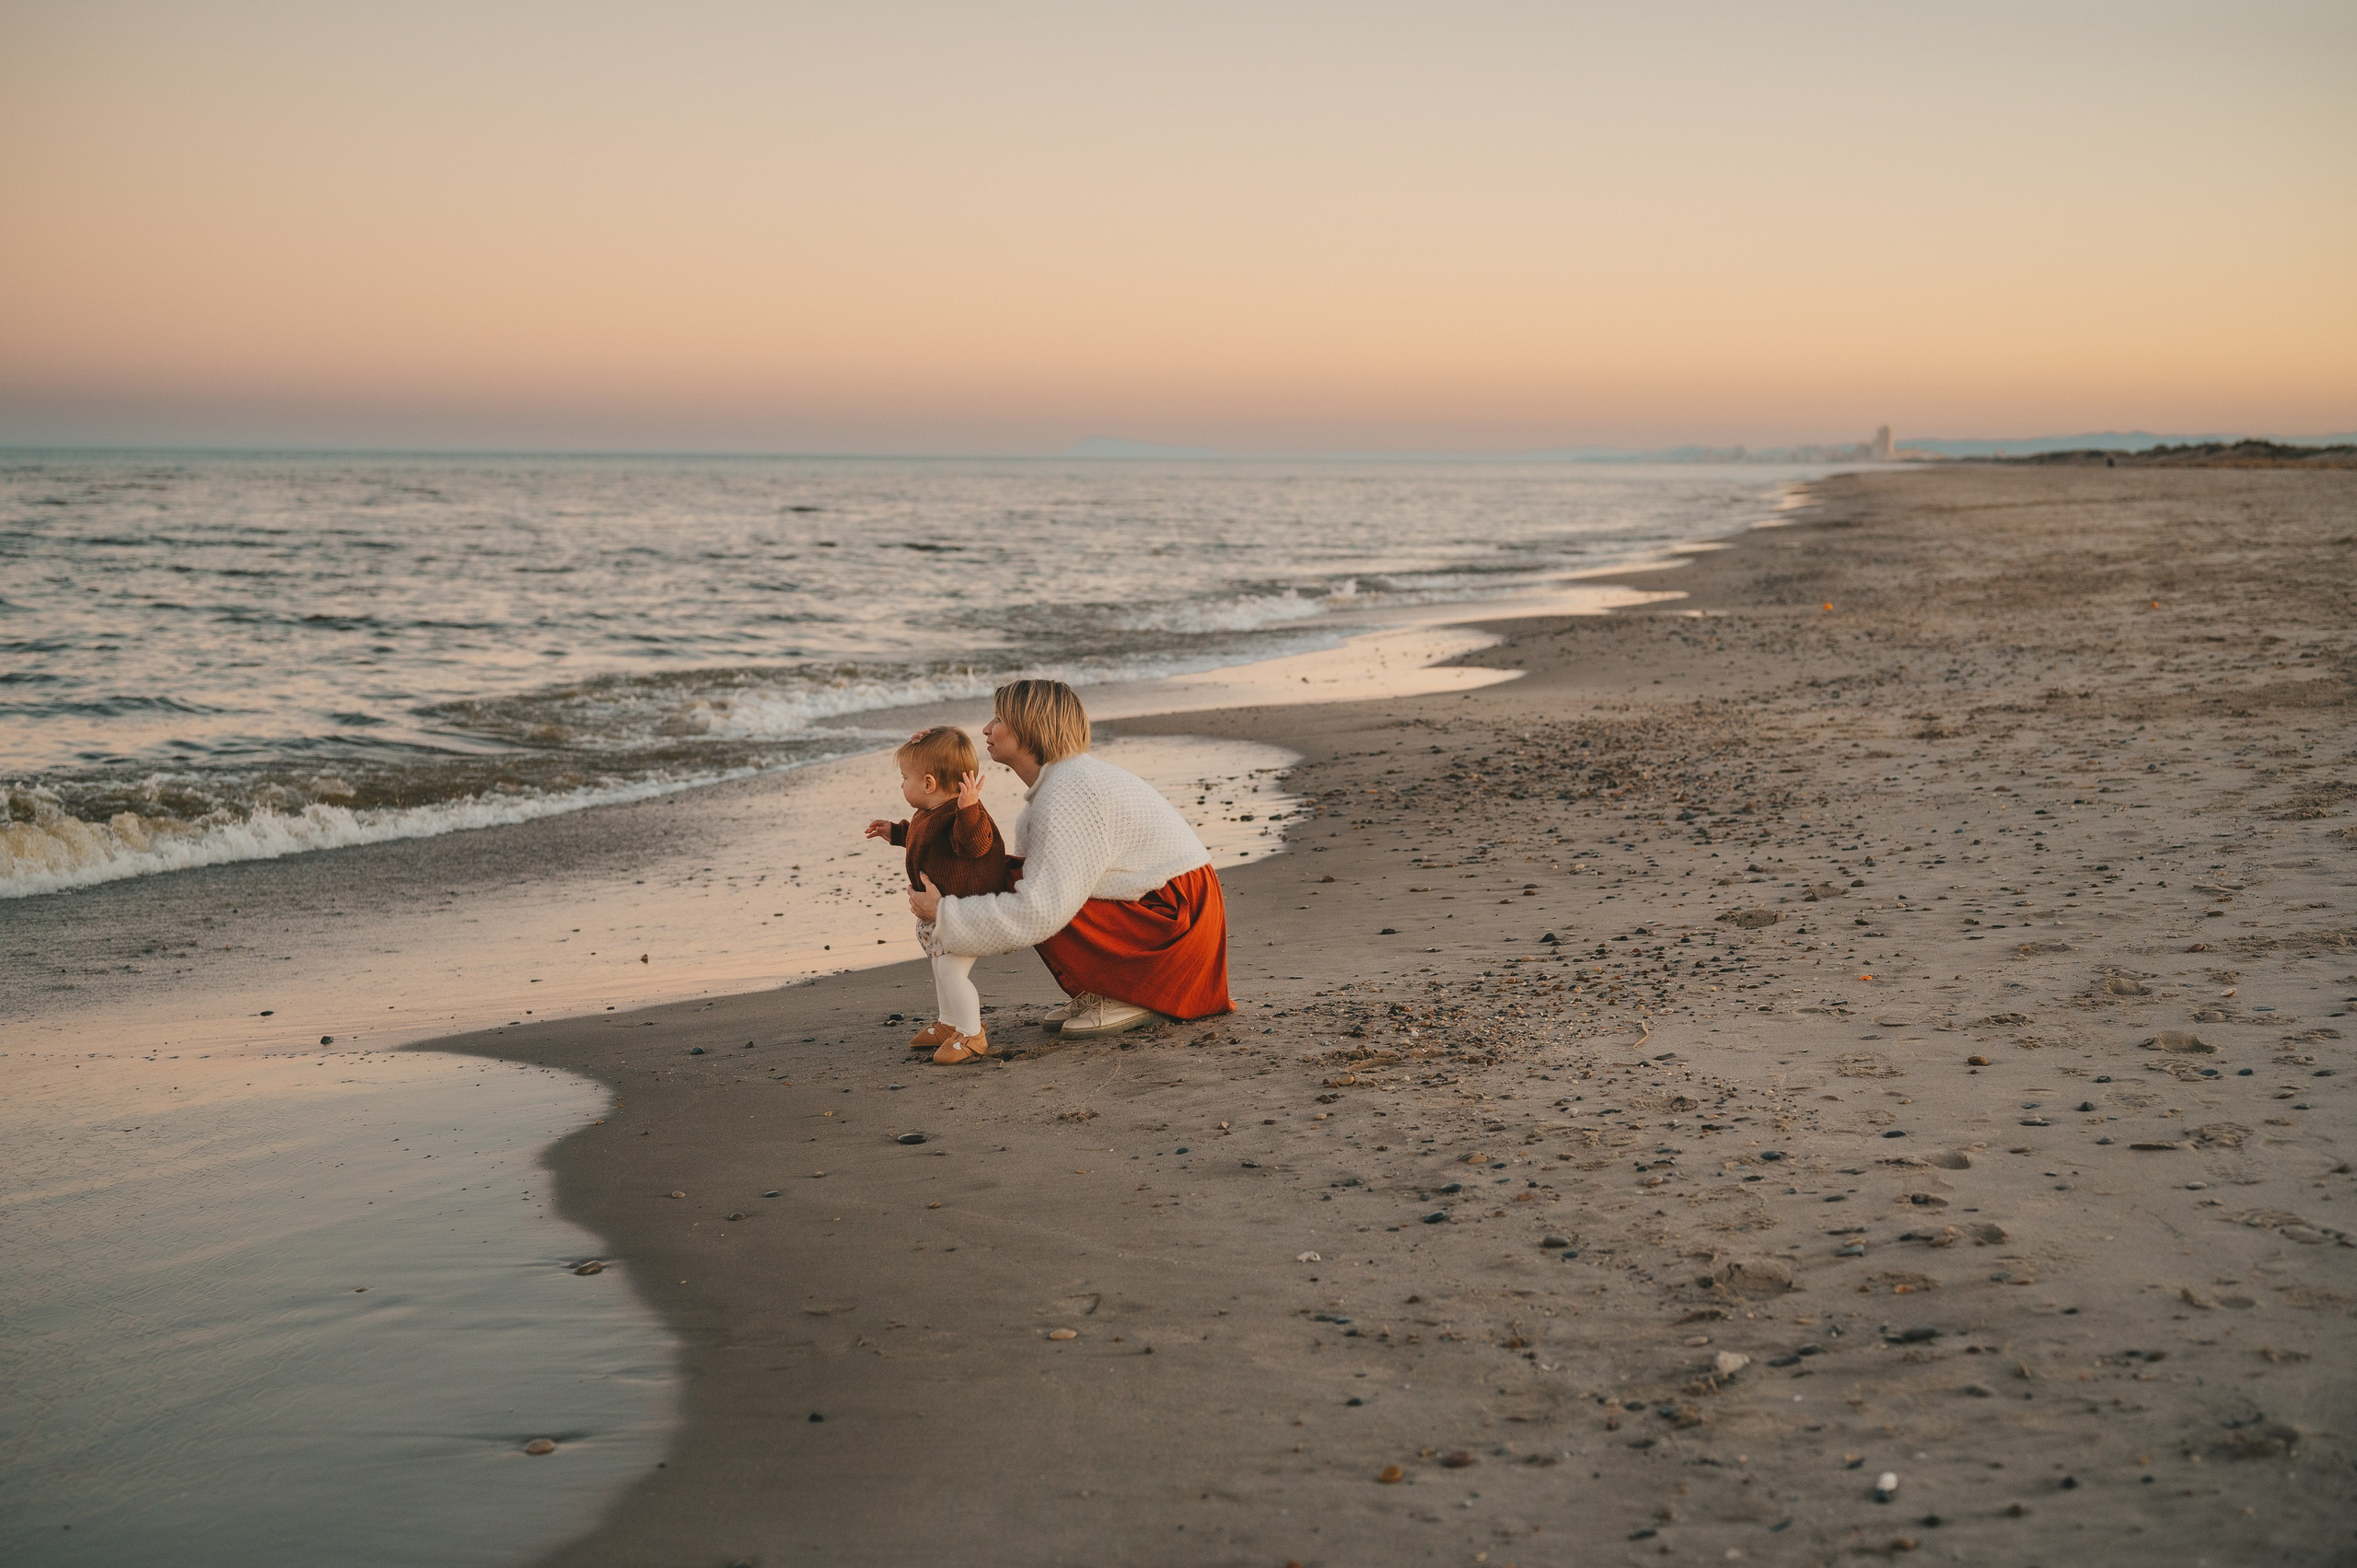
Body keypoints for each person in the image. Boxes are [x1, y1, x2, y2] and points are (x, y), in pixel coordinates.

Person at [909, 679, 1231, 1038]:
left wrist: (946, 913)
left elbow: (1040, 911)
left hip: (1179, 927)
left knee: (1024, 883)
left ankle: (1135, 994)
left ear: (1030, 728)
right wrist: (930, 748)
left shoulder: (1070, 792)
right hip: (1170, 915)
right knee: (1019, 875)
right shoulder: (1059, 784)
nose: (986, 729)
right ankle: (1116, 987)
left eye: (998, 719)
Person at [865, 726, 1019, 1065]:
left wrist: (970, 809)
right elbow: (922, 838)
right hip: (945, 917)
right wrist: (895, 832)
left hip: (970, 917)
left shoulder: (966, 817)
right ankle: (949, 1023)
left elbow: (973, 844)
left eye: (905, 778)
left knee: (951, 972)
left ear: (929, 784)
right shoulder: (929, 814)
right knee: (940, 968)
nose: (901, 784)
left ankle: (972, 1033)